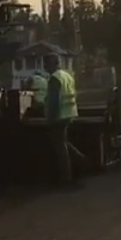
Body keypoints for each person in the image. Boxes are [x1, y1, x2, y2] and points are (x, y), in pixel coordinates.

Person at [43, 53, 84, 185]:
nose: (44, 66)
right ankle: (82, 161)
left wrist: (50, 118)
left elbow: (54, 101)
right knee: (63, 142)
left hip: (59, 116)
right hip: (69, 113)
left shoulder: (54, 79)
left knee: (60, 147)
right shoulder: (67, 75)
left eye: (46, 63)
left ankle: (67, 178)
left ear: (52, 64)